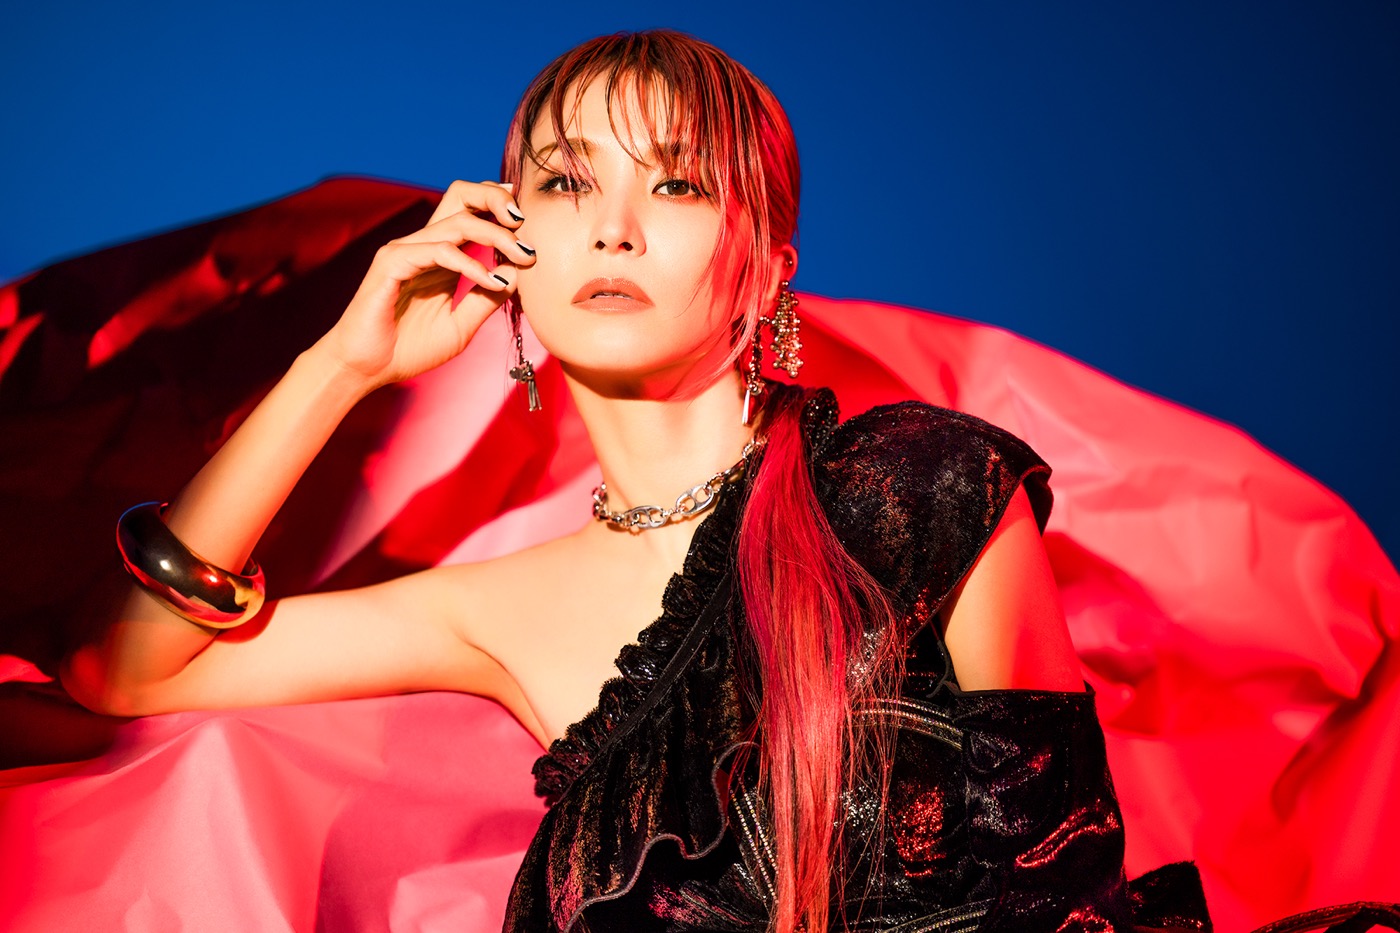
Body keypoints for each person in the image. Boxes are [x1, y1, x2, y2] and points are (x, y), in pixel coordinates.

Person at [60, 30, 1213, 932]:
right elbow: (130, 666)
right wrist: (339, 368)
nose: (611, 229)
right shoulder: (494, 611)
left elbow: (1055, 887)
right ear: (508, 247)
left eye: (676, 186)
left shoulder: (920, 490)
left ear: (765, 269)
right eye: (566, 183)